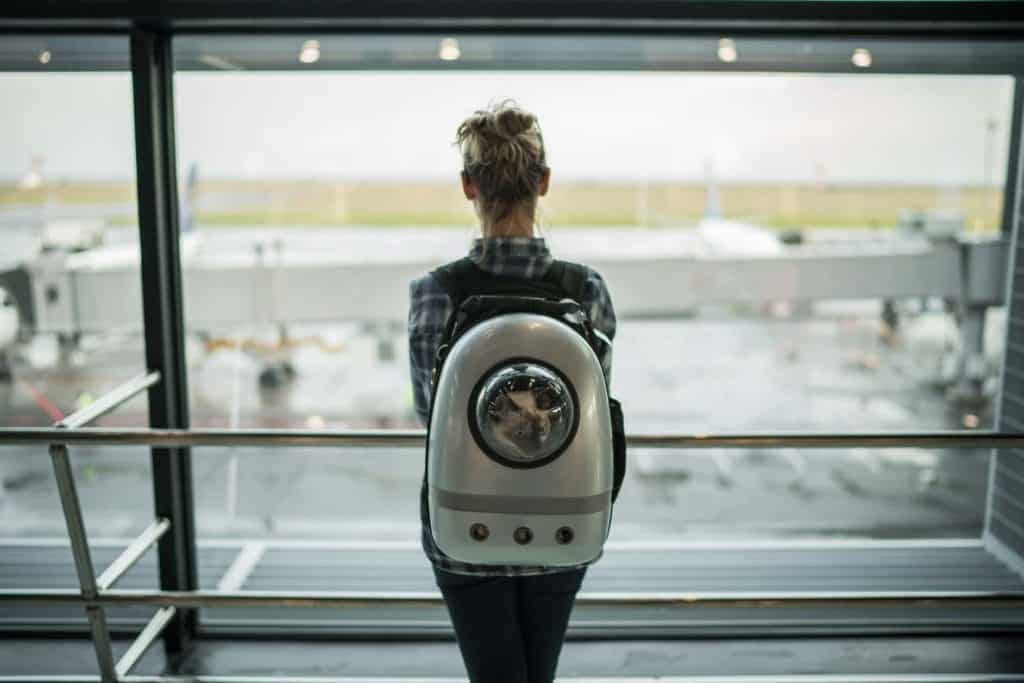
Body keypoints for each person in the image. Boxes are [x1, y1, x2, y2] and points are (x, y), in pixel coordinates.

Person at [407, 100, 617, 683]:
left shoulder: (436, 292)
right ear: (543, 182)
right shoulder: (586, 289)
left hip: (463, 514)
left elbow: (431, 414)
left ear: (468, 186)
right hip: (565, 512)